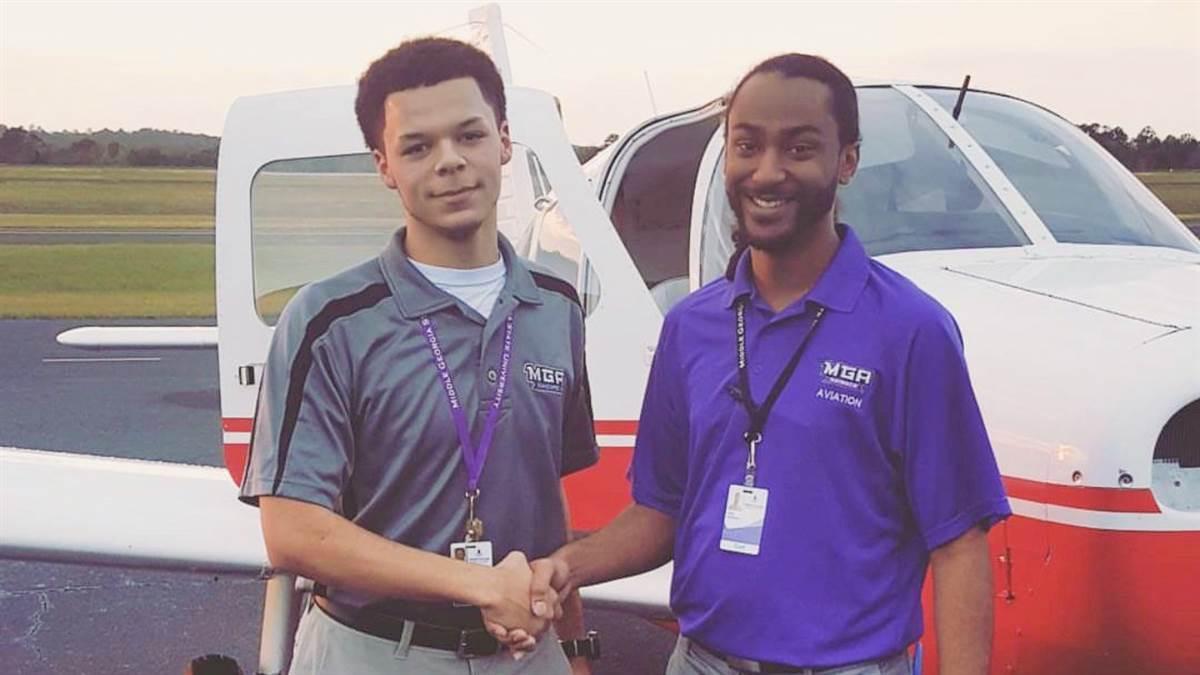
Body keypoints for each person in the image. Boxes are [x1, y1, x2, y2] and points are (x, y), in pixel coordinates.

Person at [531, 54, 1011, 675]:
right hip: (701, 662)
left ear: (847, 161)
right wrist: (567, 566)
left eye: (799, 148)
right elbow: (660, 514)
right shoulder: (691, 327)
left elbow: (959, 544)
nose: (767, 172)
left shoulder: (911, 331)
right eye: (747, 146)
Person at [239, 37, 598, 675]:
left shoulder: (558, 308)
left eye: (470, 136)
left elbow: (550, 503)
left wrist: (572, 651)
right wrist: (478, 584)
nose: (450, 162)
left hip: (525, 654)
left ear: (505, 141)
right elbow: (292, 530)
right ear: (383, 166)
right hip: (373, 649)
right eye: (418, 146)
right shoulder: (330, 321)